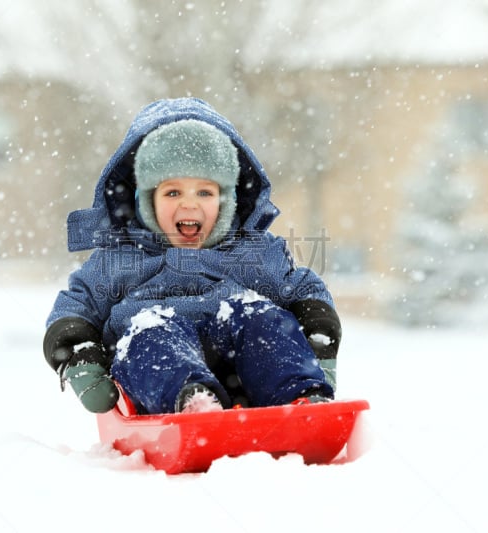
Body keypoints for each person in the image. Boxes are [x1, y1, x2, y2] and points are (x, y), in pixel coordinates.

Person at [43, 97, 341, 415]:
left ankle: (302, 398)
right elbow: (78, 304)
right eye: (173, 192)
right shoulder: (119, 257)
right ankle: (194, 403)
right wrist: (79, 351)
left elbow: (300, 288)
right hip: (160, 374)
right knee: (149, 335)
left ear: (226, 201)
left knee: (267, 321)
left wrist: (317, 331)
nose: (189, 205)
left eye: (205, 192)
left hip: (246, 370)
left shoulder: (252, 251)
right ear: (146, 200)